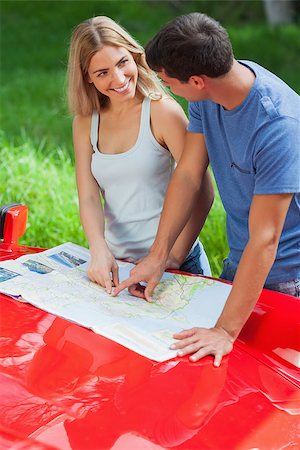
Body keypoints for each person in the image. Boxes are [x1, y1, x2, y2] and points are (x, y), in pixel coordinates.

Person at [113, 13, 300, 365]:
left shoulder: (278, 128)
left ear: (196, 80)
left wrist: (226, 331)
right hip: (241, 262)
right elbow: (188, 174)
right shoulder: (210, 92)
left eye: (169, 83)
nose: (167, 90)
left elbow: (266, 240)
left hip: (286, 278)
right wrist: (160, 255)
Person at [67, 16, 214, 293]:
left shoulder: (162, 112)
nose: (119, 79)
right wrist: (98, 251)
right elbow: (88, 196)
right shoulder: (85, 122)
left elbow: (203, 191)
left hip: (175, 263)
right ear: (87, 76)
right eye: (102, 73)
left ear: (134, 56)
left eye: (123, 62)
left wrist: (171, 258)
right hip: (118, 264)